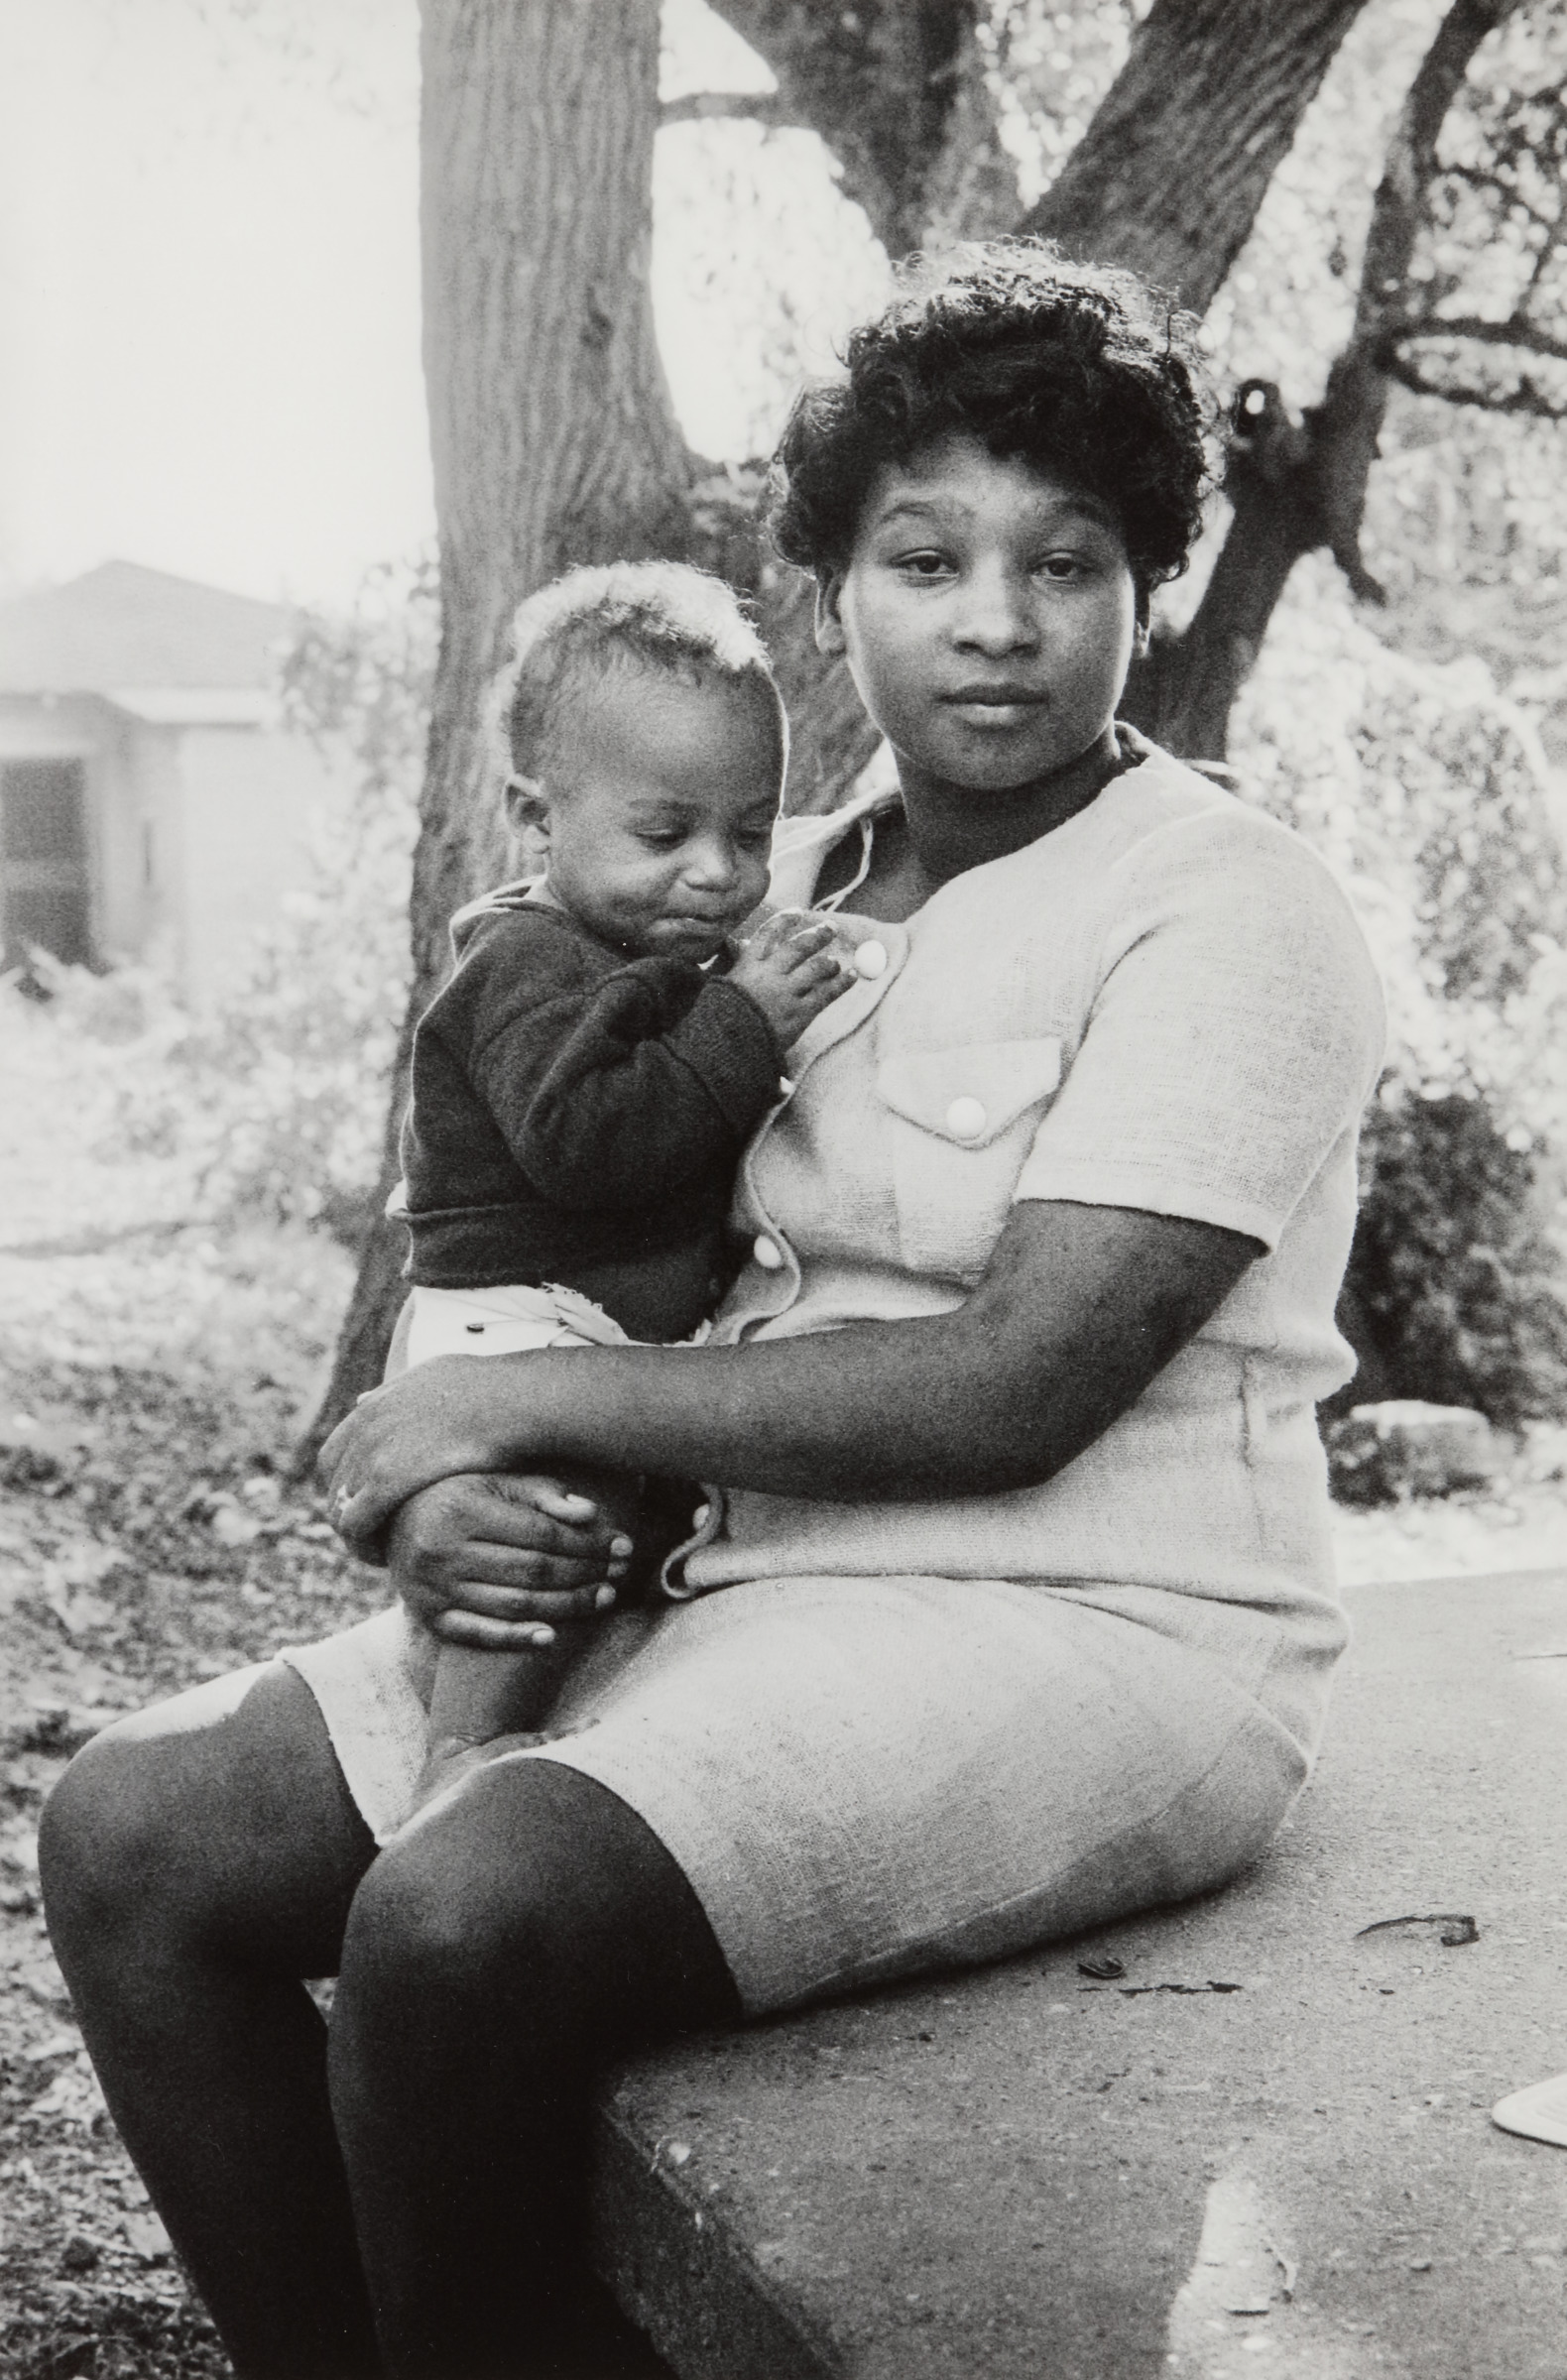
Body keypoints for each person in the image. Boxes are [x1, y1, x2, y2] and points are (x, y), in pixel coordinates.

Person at [39, 240, 1386, 2380]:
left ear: (1150, 588)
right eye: (923, 554)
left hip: (1092, 1623)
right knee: (130, 1833)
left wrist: (530, 1408)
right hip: (712, 1578)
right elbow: (541, 1223)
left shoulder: (1227, 906)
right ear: (831, 581)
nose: (996, 622)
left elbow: (1019, 1385)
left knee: (461, 1922)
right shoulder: (768, 881)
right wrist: (458, 1493)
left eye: (1069, 560)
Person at [391, 560, 851, 1789]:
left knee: (595, 1515)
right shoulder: (528, 965)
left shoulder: (630, 947)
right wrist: (746, 1029)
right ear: (536, 816)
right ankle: (468, 1743)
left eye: (749, 833)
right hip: (516, 1317)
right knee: (541, 1517)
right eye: (664, 833)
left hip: (578, 1318)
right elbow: (585, 1145)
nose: (716, 872)